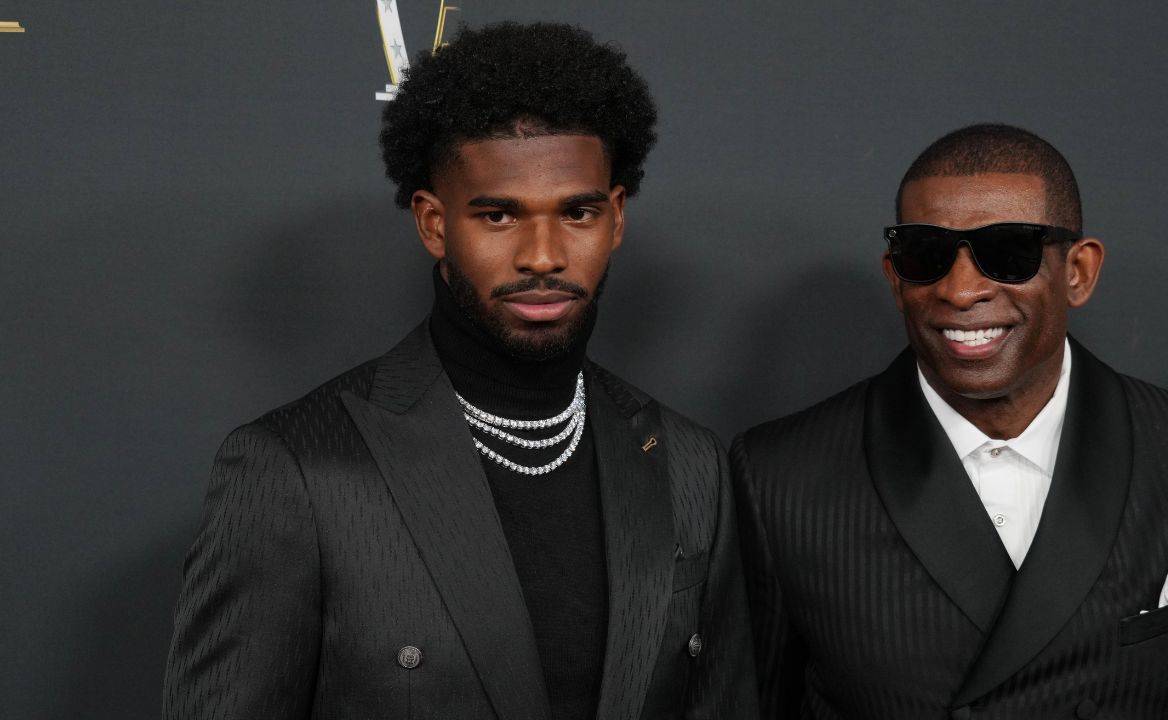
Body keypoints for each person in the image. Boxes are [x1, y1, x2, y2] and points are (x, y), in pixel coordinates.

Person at [163, 22, 756, 720]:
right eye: (499, 216)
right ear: (434, 224)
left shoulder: (688, 463)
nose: (543, 255)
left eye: (577, 212)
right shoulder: (294, 467)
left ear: (616, 219)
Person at [733, 123, 1168, 719]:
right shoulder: (780, 479)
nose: (961, 290)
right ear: (895, 277)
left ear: (1078, 271)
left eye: (1009, 252)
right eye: (925, 254)